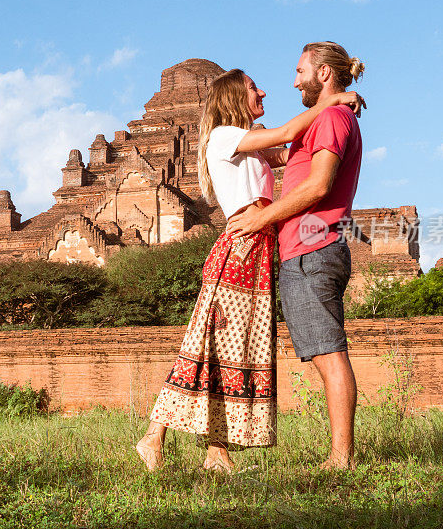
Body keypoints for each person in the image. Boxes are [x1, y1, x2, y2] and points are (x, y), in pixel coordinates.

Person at [135, 67, 363, 473]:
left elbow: (294, 145)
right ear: (233, 99)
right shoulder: (225, 136)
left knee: (234, 353)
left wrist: (335, 114)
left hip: (259, 252)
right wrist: (332, 99)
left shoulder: (249, 148)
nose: (263, 91)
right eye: (253, 88)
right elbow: (287, 131)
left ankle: (217, 452)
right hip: (240, 249)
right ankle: (153, 437)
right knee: (204, 346)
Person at [227, 41, 366, 470]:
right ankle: (340, 454)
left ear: (323, 73)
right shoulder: (326, 119)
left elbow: (317, 186)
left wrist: (255, 222)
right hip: (309, 250)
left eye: (300, 70)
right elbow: (285, 152)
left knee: (329, 353)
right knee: (325, 351)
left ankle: (341, 458)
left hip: (314, 248)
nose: (294, 80)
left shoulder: (332, 117)